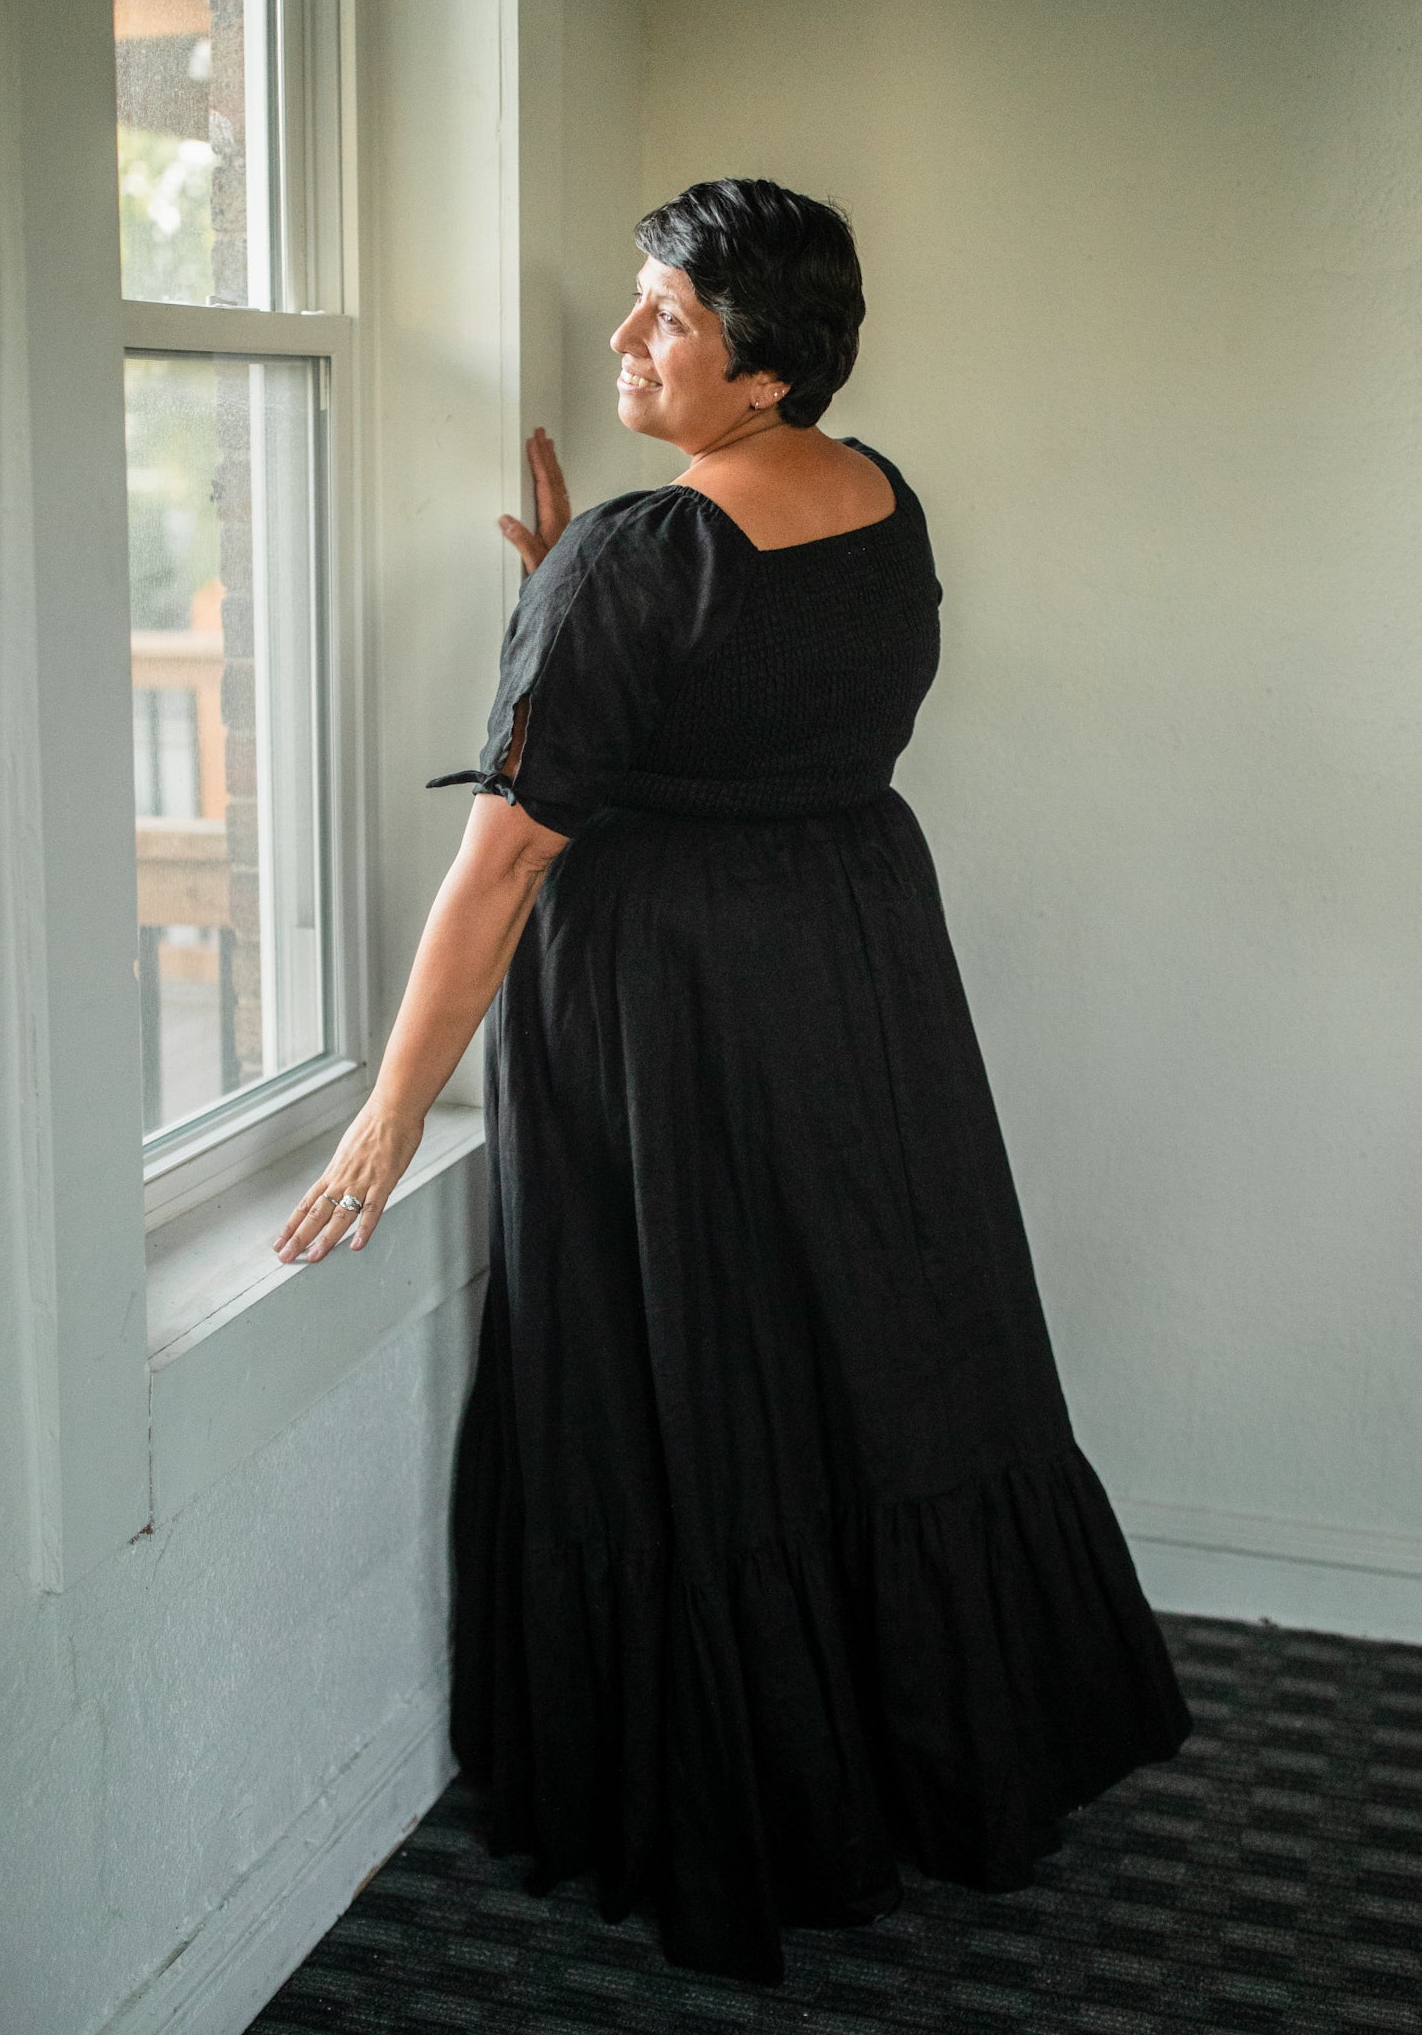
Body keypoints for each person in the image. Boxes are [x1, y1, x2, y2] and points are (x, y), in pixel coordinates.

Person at [273, 176, 1193, 1987]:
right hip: (854, 964)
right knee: (872, 1342)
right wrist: (563, 598)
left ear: (760, 375)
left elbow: (506, 862)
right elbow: (763, 694)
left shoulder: (642, 557)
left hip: (673, 1003)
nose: (625, 343)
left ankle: (743, 1795)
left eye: (666, 322)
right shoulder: (875, 500)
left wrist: (388, 1109)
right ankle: (925, 1759)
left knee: (697, 1372)